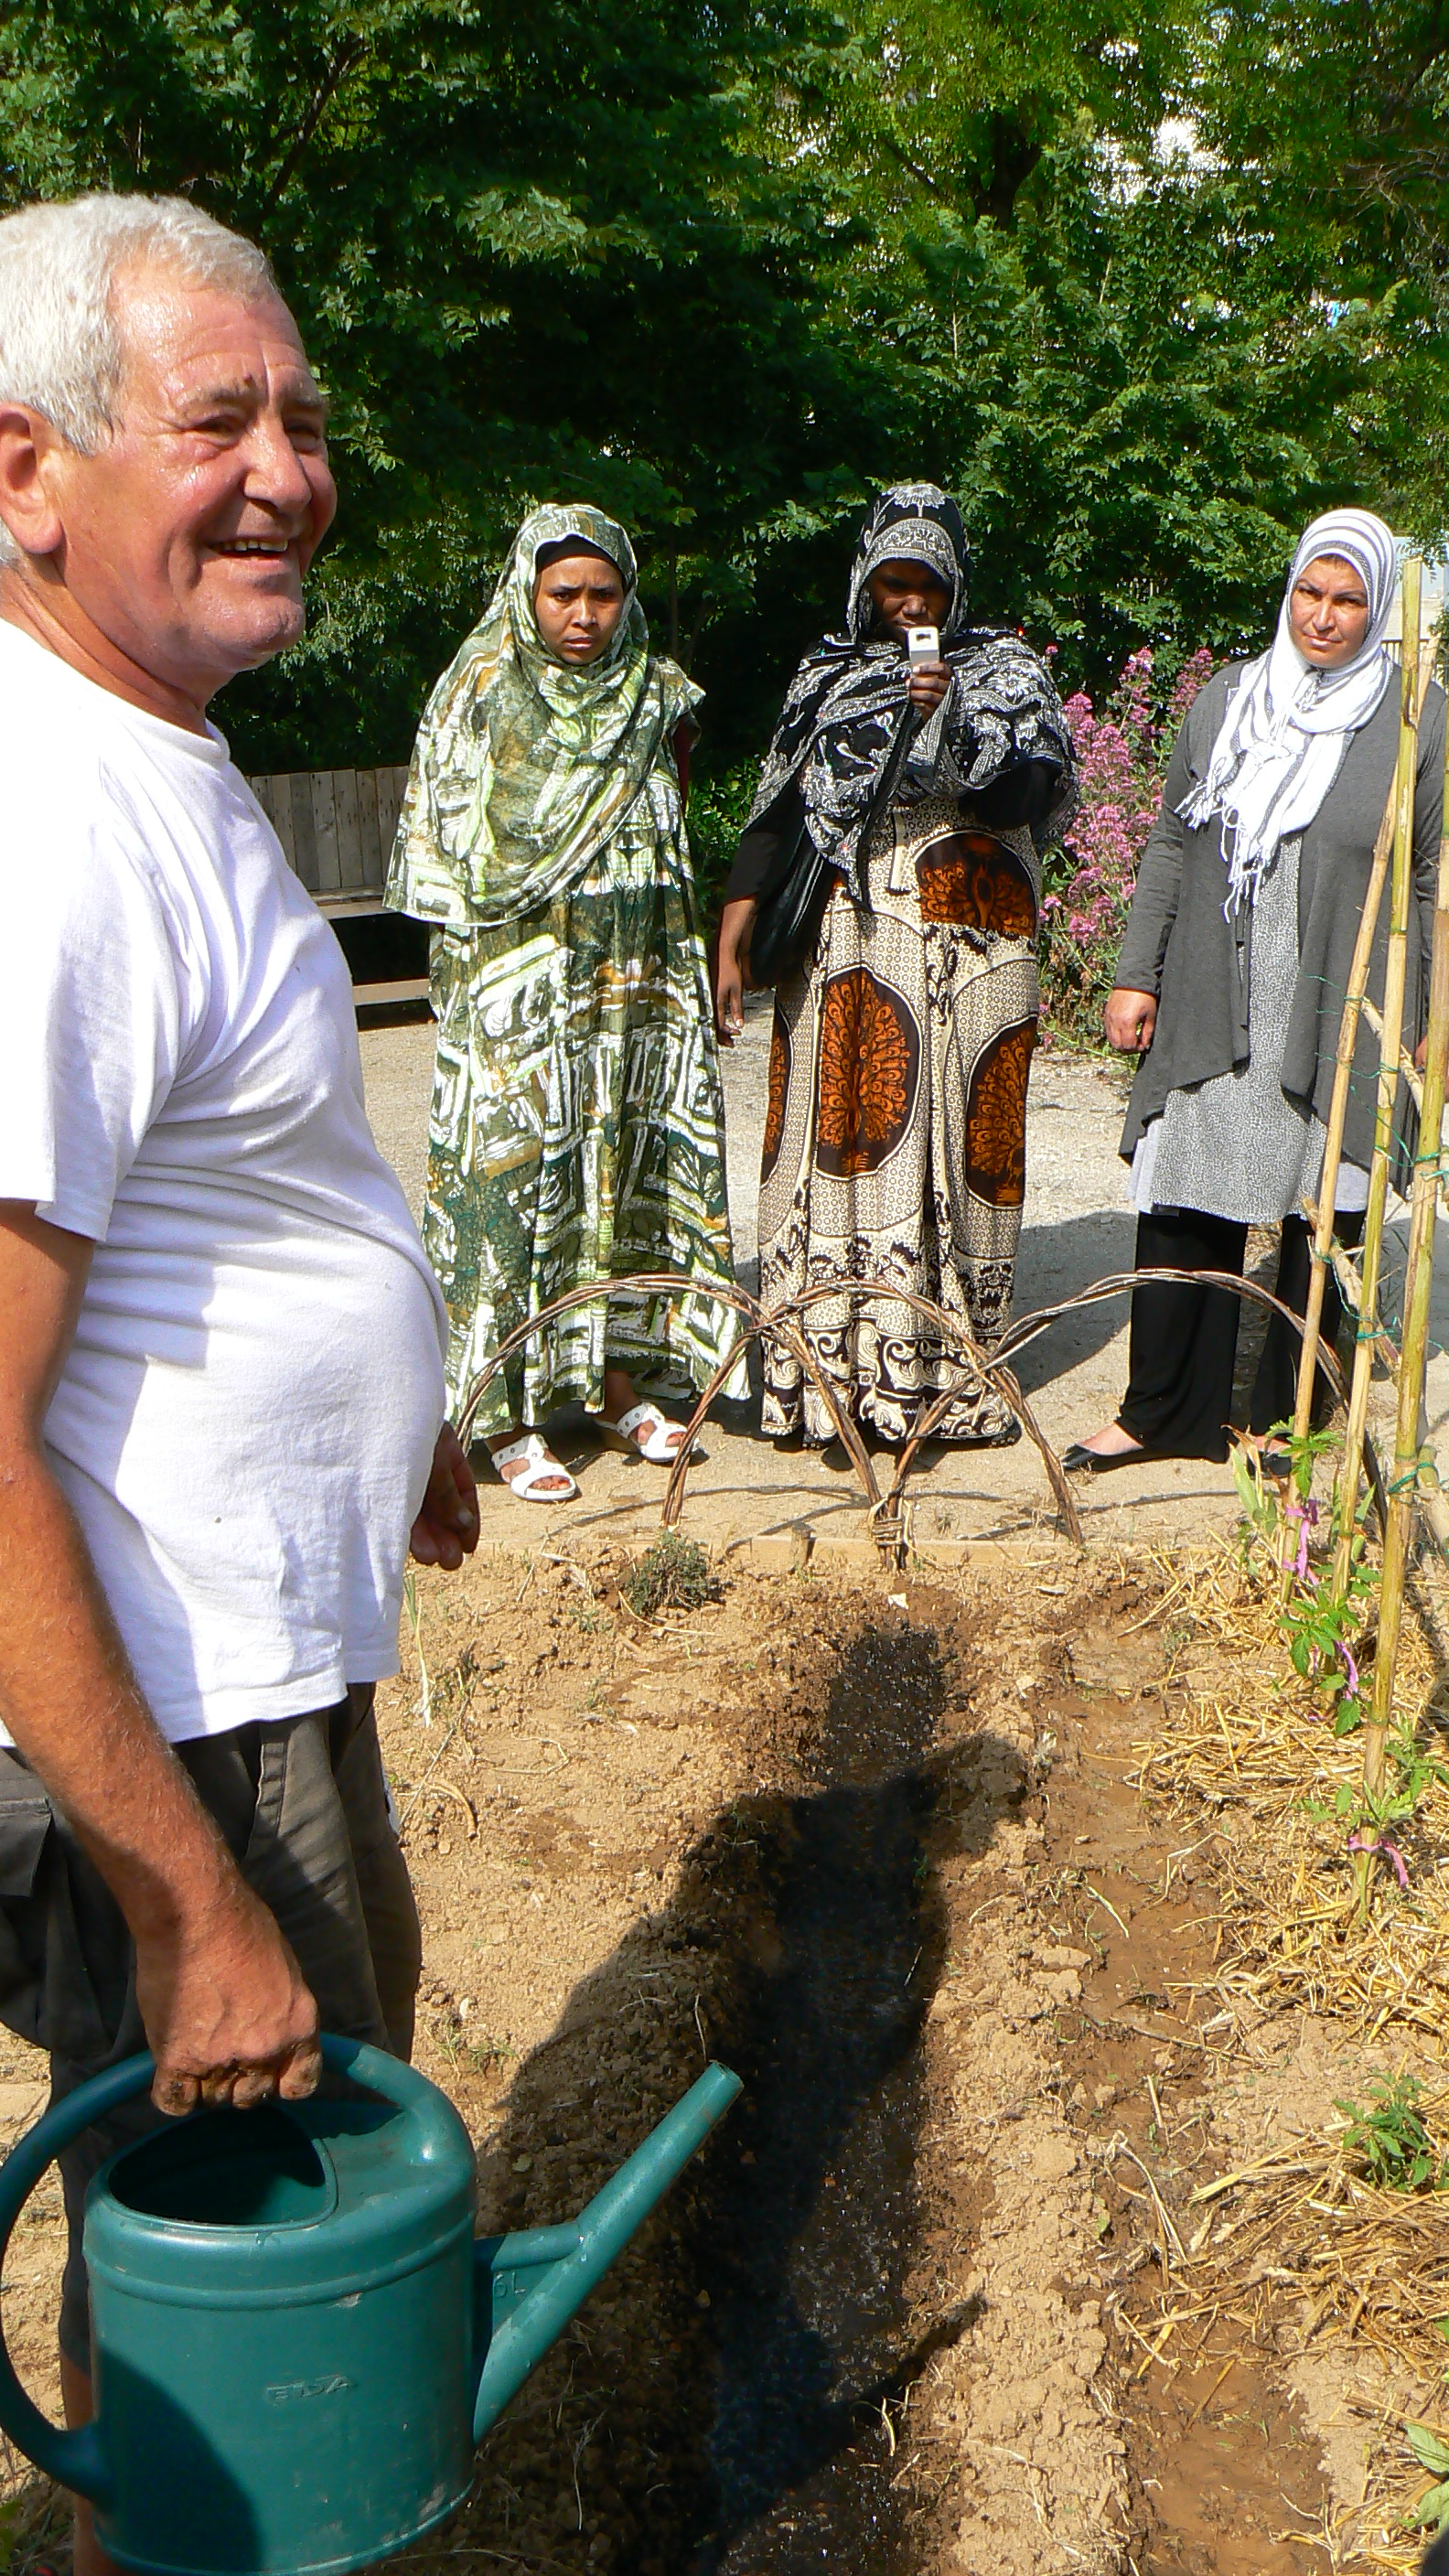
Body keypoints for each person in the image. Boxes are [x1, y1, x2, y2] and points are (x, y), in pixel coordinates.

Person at [0, 191, 479, 2576]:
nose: (289, 468)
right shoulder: (50, 836)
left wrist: (406, 1419)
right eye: (218, 422)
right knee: (247, 2325)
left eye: (302, 415)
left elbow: (225, 1184)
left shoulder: (144, 748)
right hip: (178, 1724)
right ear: (26, 473)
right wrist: (188, 1911)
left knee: (264, 2300)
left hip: (245, 1659)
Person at [1067, 507, 1445, 1474]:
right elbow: (1166, 842)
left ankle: (1285, 1420)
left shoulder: (1416, 718)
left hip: (1340, 997)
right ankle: (1161, 1412)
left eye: (1350, 599)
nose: (1325, 617)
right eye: (1310, 594)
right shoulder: (1232, 697)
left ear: (1378, 608)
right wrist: (1133, 972)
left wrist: (1425, 1013)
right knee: (1186, 1190)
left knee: (1326, 1210)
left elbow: (1435, 870)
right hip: (1214, 985)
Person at [387, 505, 740, 1504]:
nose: (583, 614)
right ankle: (505, 1415)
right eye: (562, 594)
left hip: (633, 994)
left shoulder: (656, 696)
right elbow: (442, 864)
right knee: (510, 1198)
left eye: (603, 593)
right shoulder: (477, 697)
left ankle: (618, 1383)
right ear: (526, 594)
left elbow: (674, 845)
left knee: (623, 1172)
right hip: (519, 1000)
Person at [714, 483, 1075, 1445]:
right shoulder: (827, 673)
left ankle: (944, 1374)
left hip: (972, 944)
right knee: (841, 1144)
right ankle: (837, 1370)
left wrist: (954, 713)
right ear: (864, 585)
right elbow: (779, 813)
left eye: (926, 585)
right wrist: (733, 936)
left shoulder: (1006, 673)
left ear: (956, 585)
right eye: (891, 586)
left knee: (955, 1152)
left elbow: (1023, 795)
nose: (909, 605)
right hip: (848, 949)